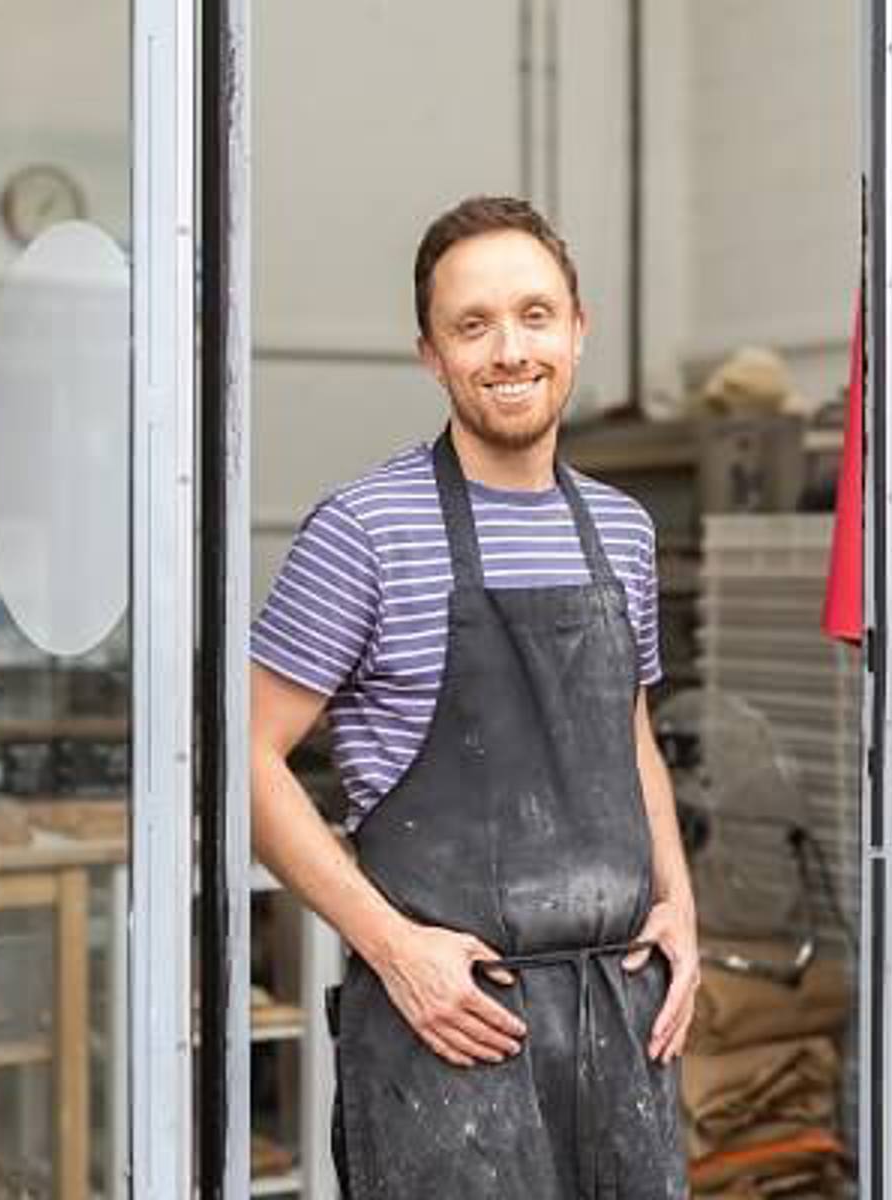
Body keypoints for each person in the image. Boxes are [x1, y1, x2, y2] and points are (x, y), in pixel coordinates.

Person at [250, 195, 697, 1199]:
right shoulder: (364, 530)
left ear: (578, 331)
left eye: (535, 315)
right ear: (431, 355)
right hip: (451, 1031)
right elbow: (243, 758)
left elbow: (630, 735)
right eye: (473, 325)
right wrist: (393, 950)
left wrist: (680, 904)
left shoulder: (621, 531)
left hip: (622, 1025)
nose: (509, 350)